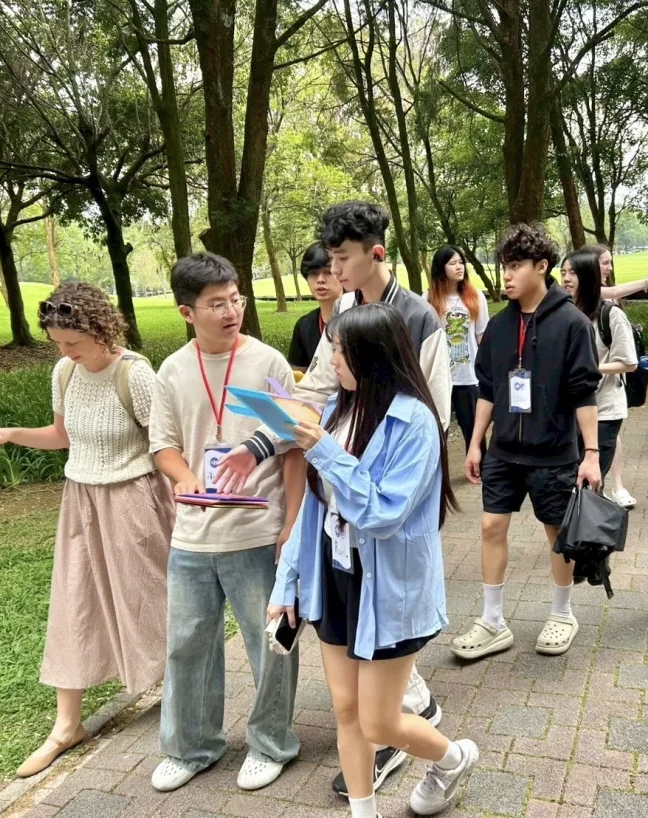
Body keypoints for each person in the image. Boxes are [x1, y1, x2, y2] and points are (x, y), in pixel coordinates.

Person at [214, 201, 449, 796]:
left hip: (391, 512)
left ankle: (402, 736)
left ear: (375, 253)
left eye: (340, 259)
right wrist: (262, 445)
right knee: (357, 701)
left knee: (380, 688)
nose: (332, 271)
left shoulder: (420, 321)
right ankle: (387, 734)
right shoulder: (341, 323)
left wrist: (354, 461)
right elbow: (313, 396)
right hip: (340, 539)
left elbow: (429, 424)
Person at [0, 282, 174, 778]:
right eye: (57, 343)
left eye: (72, 343)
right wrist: (10, 434)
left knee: (151, 600)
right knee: (73, 603)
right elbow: (62, 436)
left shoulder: (136, 375)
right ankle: (66, 726)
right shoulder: (65, 372)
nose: (65, 353)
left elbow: (166, 445)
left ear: (101, 330)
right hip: (81, 501)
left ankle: (183, 695)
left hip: (134, 501)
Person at [270, 303, 479, 818]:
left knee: (379, 722)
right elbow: (313, 511)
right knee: (346, 708)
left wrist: (325, 452)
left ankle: (453, 759)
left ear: (372, 357)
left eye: (340, 352)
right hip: (333, 575)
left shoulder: (415, 422)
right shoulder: (337, 410)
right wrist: (286, 583)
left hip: (388, 585)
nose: (332, 362)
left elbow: (383, 513)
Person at [147, 252, 305, 793]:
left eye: (236, 299)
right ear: (187, 312)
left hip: (257, 531)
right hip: (193, 534)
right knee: (187, 643)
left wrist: (291, 524)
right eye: (216, 304)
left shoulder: (268, 363)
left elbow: (294, 446)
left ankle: (271, 743)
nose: (231, 311)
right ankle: (191, 747)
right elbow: (163, 446)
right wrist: (185, 477)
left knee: (270, 643)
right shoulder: (172, 370)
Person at [451, 222, 602, 661]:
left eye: (516, 265)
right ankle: (493, 621)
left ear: (541, 266)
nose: (507, 275)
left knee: (557, 533)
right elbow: (487, 389)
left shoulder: (572, 324)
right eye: (504, 265)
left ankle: (562, 613)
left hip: (554, 451)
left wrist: (591, 454)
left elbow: (584, 393)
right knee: (490, 526)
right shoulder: (500, 326)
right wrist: (475, 443)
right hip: (503, 450)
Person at [561, 245, 638, 481]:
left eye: (573, 273)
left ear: (587, 276)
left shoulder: (610, 314)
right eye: (563, 272)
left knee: (590, 482)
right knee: (569, 481)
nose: (566, 278)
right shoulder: (562, 313)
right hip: (569, 411)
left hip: (604, 411)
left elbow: (629, 363)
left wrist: (590, 368)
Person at [586, 244, 645, 509]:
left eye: (610, 262)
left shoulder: (610, 309)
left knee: (608, 440)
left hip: (607, 398)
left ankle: (616, 488)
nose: (609, 268)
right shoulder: (575, 301)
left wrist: (591, 367)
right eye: (604, 262)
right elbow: (611, 291)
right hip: (580, 400)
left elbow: (628, 362)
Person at [424, 245, 490, 454]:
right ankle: (438, 469)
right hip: (439, 377)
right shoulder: (428, 299)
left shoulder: (476, 296)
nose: (459, 267)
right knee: (437, 431)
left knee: (474, 429)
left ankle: (480, 465)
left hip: (468, 376)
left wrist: (487, 370)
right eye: (453, 263)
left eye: (461, 262)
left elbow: (482, 336)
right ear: (441, 267)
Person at [288, 242, 341, 372]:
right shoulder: (304, 326)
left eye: (328, 272)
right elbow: (299, 375)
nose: (320, 279)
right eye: (313, 273)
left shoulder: (360, 318)